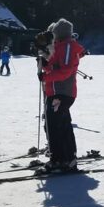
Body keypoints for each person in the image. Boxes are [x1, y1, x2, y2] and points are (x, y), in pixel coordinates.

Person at [38, 18, 85, 172]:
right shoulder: (61, 47)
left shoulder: (68, 47)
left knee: (55, 126)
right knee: (58, 124)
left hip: (62, 92)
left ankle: (60, 159)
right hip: (56, 92)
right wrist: (44, 64)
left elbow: (65, 72)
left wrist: (45, 77)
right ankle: (65, 157)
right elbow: (54, 67)